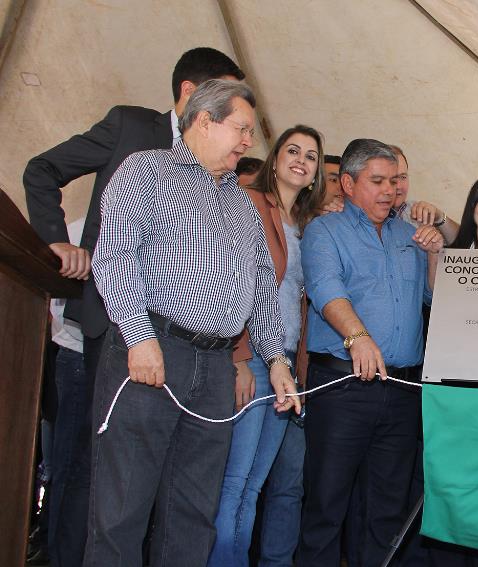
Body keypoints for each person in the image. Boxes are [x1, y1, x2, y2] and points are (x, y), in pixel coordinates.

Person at [22, 47, 244, 567]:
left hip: (193, 350)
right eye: (227, 98)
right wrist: (55, 242)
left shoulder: (227, 176)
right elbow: (42, 169)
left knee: (176, 488)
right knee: (102, 475)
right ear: (192, 95)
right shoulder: (129, 128)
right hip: (117, 330)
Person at [87, 79, 299, 567]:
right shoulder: (146, 171)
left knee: (195, 514)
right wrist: (139, 338)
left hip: (216, 367)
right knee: (122, 511)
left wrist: (277, 360)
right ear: (205, 121)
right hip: (153, 353)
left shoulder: (244, 205)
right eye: (242, 129)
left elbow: (263, 291)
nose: (249, 142)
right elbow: (114, 256)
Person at [297, 139, 443, 567]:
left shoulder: (409, 235)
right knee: (327, 503)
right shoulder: (325, 230)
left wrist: (434, 254)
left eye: (394, 181)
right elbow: (326, 289)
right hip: (343, 385)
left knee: (387, 508)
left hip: (401, 387)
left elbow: (434, 298)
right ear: (347, 183)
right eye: (376, 181)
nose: (388, 190)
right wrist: (357, 336)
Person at [208, 125, 325, 566]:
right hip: (252, 357)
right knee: (233, 485)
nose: (301, 159)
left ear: (316, 173)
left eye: (311, 156)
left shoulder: (307, 226)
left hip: (286, 366)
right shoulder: (247, 201)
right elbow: (230, 282)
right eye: (292, 150)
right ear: (274, 159)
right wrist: (237, 357)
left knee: (253, 489)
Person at [389, 144, 460, 243]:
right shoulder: (366, 217)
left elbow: (466, 244)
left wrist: (439, 217)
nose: (399, 186)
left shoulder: (417, 211)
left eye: (403, 177)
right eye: (393, 179)